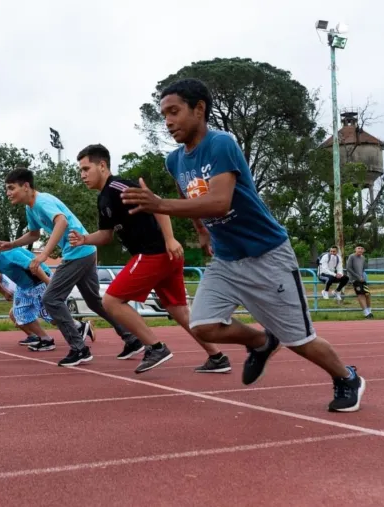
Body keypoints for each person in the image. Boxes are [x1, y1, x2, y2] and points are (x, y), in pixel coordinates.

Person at [120, 78, 365, 412]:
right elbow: (188, 192)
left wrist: (158, 205)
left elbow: (219, 202)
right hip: (226, 259)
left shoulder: (221, 144)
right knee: (203, 325)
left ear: (200, 109)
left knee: (300, 341)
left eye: (174, 112)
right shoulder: (174, 160)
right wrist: (202, 232)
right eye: (164, 114)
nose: (168, 121)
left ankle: (346, 377)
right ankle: (261, 341)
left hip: (267, 255)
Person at [70, 143, 231, 375]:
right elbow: (106, 235)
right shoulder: (103, 199)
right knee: (179, 312)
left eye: (86, 169)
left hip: (154, 252)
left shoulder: (119, 187)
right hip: (163, 256)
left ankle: (156, 348)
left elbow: (158, 204)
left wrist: (170, 239)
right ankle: (217, 357)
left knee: (111, 301)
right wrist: (85, 239)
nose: (82, 175)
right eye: (80, 171)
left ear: (102, 166)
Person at [0, 167, 144, 368]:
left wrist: (44, 255)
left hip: (77, 252)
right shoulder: (30, 208)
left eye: (11, 188)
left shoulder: (42, 201)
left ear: (26, 186)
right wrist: (11, 244)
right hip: (86, 251)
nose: (8, 193)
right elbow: (34, 235)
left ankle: (79, 348)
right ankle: (132, 339)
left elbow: (61, 221)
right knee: (94, 301)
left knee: (50, 298)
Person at [0, 229, 58, 351]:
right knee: (19, 314)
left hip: (39, 281)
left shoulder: (10, 254)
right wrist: (4, 292)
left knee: (52, 317)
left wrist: (49, 283)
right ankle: (46, 339)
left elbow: (34, 266)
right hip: (23, 287)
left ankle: (78, 326)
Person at [346, 244, 373, 319]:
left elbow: (363, 269)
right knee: (360, 295)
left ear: (363, 250)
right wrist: (357, 277)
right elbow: (348, 268)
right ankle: (366, 313)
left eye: (361, 248)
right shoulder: (351, 256)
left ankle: (370, 311)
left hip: (362, 279)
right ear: (355, 249)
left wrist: (363, 276)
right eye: (358, 248)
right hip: (354, 279)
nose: (360, 250)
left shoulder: (363, 258)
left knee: (367, 294)